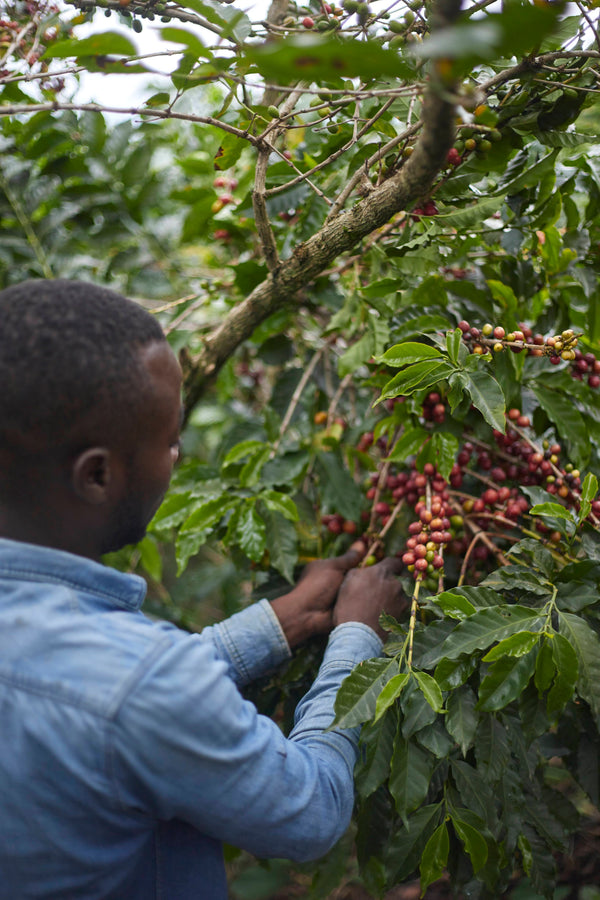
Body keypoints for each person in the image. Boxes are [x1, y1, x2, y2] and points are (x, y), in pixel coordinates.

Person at [0, 279, 406, 900]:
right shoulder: (142, 684)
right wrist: (356, 640)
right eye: (168, 441)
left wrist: (276, 623)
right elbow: (311, 811)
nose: (177, 455)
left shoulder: (107, 669)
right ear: (98, 475)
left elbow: (97, 693)